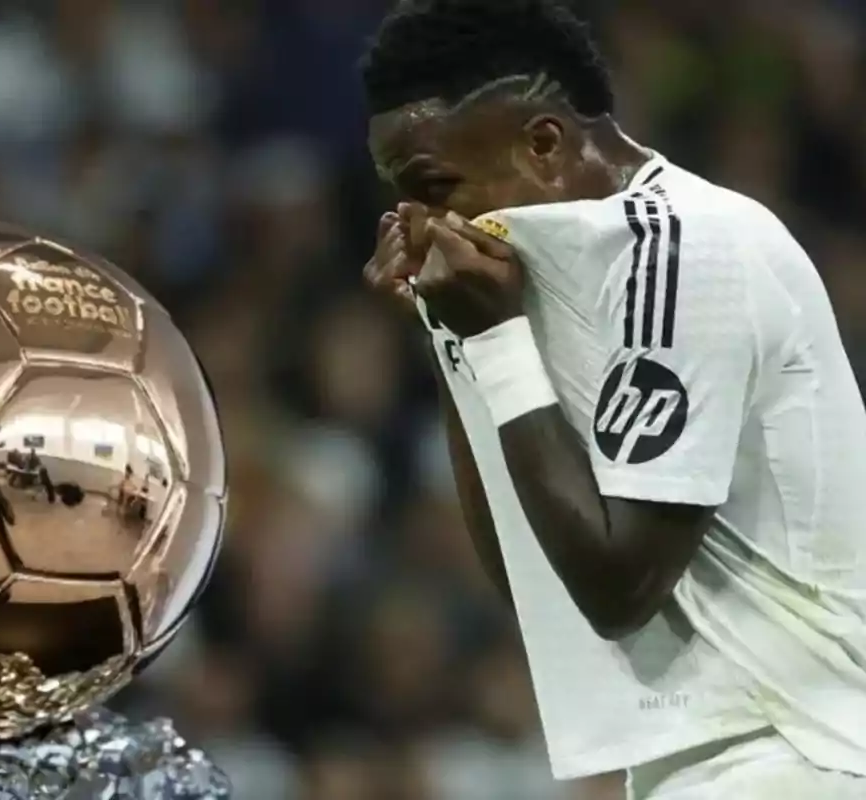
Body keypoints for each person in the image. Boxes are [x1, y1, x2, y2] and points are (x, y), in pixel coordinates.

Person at [359, 2, 866, 798]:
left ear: (544, 145)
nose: (423, 224)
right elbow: (535, 578)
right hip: (710, 760)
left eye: (435, 187)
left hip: (797, 750)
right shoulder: (568, 275)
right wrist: (448, 335)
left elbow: (618, 585)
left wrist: (492, 341)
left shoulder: (688, 249)